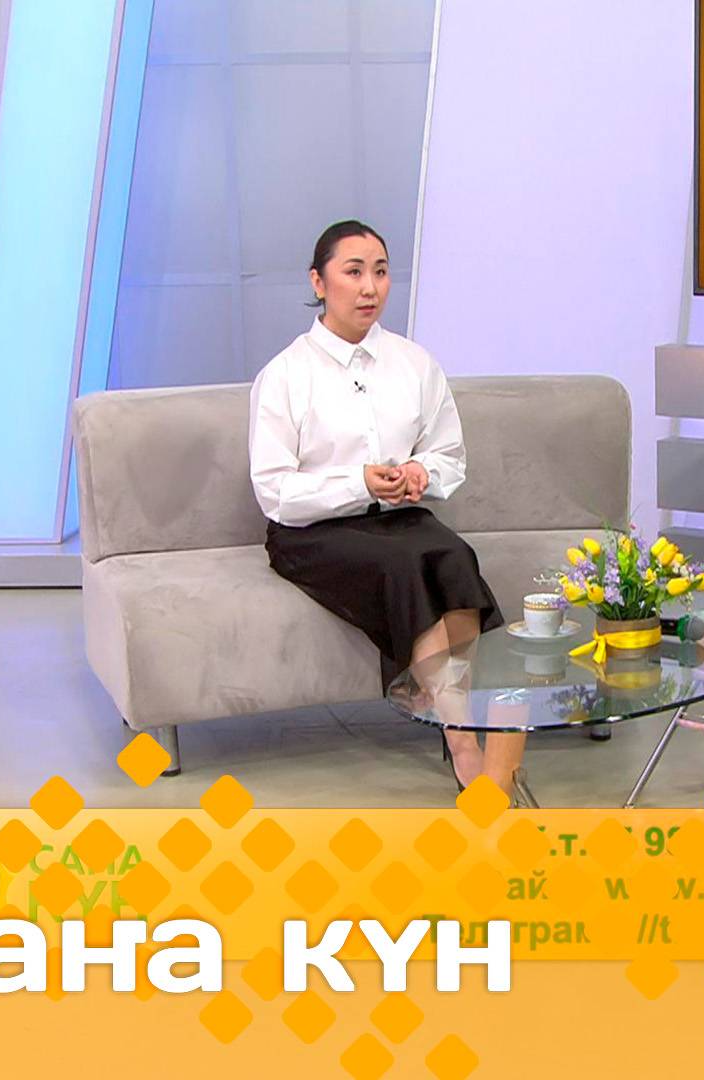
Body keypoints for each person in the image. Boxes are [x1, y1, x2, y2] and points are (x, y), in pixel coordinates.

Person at [249, 220, 525, 800]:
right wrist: (360, 483)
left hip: (396, 518)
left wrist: (422, 472)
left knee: (453, 556)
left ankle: (443, 700)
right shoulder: (285, 375)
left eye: (380, 271)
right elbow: (275, 491)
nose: (369, 287)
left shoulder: (414, 363)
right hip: (310, 530)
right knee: (404, 567)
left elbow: (449, 454)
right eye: (353, 272)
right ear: (318, 282)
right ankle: (464, 745)